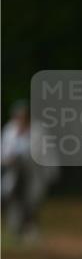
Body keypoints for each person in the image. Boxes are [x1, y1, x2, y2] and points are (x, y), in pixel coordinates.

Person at [1, 100, 57, 241]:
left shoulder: (38, 131)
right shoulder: (9, 130)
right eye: (18, 117)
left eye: (23, 116)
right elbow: (3, 154)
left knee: (32, 201)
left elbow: (48, 154)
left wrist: (51, 173)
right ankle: (15, 230)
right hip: (14, 172)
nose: (20, 119)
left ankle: (30, 229)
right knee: (14, 200)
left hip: (34, 173)